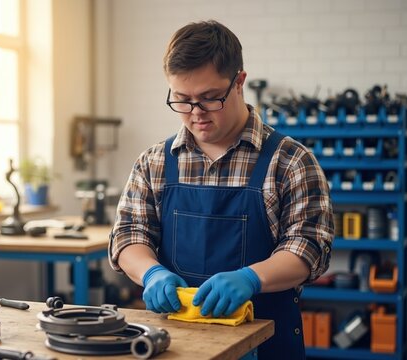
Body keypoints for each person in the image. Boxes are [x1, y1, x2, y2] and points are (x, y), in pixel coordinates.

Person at [108, 20, 333, 359]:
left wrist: (252, 278)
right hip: (174, 343)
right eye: (182, 100)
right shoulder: (154, 161)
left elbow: (310, 247)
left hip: (266, 344)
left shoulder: (291, 161)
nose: (196, 114)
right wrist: (150, 273)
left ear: (239, 82)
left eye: (210, 98)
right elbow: (128, 235)